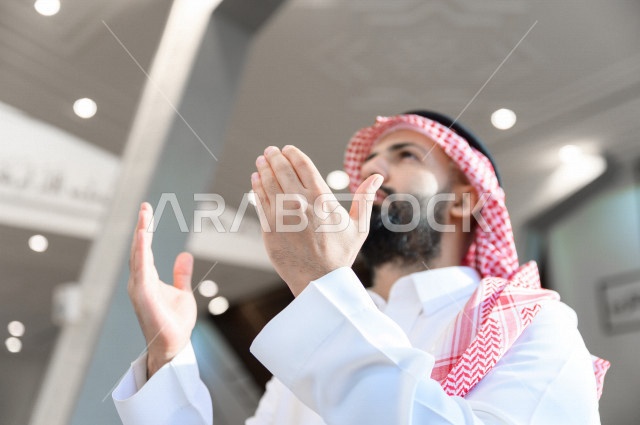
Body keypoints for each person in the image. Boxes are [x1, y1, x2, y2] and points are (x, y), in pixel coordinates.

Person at [112, 111, 609, 424]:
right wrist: (167, 357)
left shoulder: (534, 323)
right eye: (367, 162)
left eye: (406, 154)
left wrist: (322, 289)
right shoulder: (316, 334)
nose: (372, 172)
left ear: (463, 200)